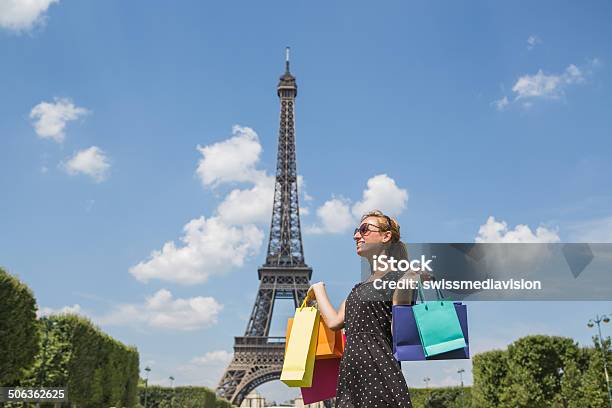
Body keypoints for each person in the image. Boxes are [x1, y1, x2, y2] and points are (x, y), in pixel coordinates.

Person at [306, 210, 420, 407]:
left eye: (364, 229)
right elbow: (334, 322)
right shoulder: (358, 290)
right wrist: (319, 290)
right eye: (357, 231)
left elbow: (399, 336)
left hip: (379, 374)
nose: (356, 235)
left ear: (386, 236)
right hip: (350, 379)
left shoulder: (400, 278)